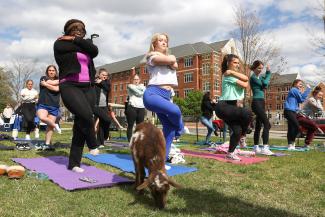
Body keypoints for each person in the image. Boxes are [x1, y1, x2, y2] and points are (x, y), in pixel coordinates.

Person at [54, 19, 99, 173]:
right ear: (67, 30)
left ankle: (74, 164)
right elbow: (85, 47)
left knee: (81, 125)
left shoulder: (82, 43)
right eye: (74, 28)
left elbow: (94, 50)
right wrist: (78, 41)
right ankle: (93, 144)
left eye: (81, 29)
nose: (78, 30)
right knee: (86, 115)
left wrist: (75, 39)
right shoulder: (60, 43)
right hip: (70, 85)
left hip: (88, 87)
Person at [143, 33, 186, 163]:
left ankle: (162, 158)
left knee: (169, 129)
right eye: (160, 40)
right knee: (176, 110)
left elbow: (176, 65)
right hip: (153, 94)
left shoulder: (166, 56)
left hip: (166, 96)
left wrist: (171, 59)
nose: (164, 42)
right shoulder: (151, 56)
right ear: (154, 43)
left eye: (165, 41)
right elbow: (171, 60)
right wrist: (170, 58)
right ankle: (180, 128)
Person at [214, 54, 253, 161]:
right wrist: (231, 73)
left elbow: (246, 78)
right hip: (223, 106)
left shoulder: (232, 74)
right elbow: (245, 85)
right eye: (235, 62)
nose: (237, 64)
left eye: (238, 63)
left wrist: (232, 71)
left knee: (237, 130)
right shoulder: (227, 76)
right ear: (228, 63)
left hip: (231, 107)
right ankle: (243, 137)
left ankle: (230, 153)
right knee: (247, 112)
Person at [249, 60, 273, 155]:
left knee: (258, 126)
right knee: (267, 124)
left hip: (261, 102)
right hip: (256, 102)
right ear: (254, 68)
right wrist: (268, 73)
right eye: (259, 68)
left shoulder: (260, 77)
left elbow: (265, 85)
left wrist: (266, 75)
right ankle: (265, 147)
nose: (260, 70)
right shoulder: (253, 77)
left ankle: (256, 147)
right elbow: (265, 84)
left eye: (262, 68)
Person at [35, 65, 61, 150]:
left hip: (54, 105)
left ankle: (47, 144)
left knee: (49, 127)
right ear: (47, 72)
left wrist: (46, 84)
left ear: (55, 72)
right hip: (43, 104)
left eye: (53, 70)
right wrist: (49, 83)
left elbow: (57, 89)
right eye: (49, 70)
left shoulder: (59, 81)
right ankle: (55, 125)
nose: (51, 72)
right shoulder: (43, 78)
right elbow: (54, 85)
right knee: (42, 117)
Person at [284, 79, 311, 150]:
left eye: (302, 84)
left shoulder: (296, 91)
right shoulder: (294, 89)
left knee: (291, 128)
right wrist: (308, 90)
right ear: (295, 84)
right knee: (296, 126)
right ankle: (292, 142)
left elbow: (300, 99)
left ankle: (290, 144)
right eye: (300, 84)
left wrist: (304, 92)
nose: (301, 85)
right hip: (289, 110)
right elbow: (301, 100)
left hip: (292, 111)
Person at [93, 68, 111, 147]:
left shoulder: (107, 83)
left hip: (104, 106)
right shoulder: (95, 82)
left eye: (106, 75)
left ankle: (101, 141)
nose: (104, 76)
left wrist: (102, 82)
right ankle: (98, 141)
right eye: (103, 75)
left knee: (105, 122)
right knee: (101, 123)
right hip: (96, 106)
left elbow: (108, 89)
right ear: (99, 75)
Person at [125, 74, 145, 141]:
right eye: (134, 79)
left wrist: (141, 89)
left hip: (141, 108)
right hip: (132, 107)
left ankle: (138, 141)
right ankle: (130, 142)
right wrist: (141, 90)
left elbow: (144, 91)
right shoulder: (130, 86)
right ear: (132, 80)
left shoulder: (143, 87)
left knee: (140, 127)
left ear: (139, 80)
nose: (136, 81)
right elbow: (139, 93)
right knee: (130, 125)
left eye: (137, 79)